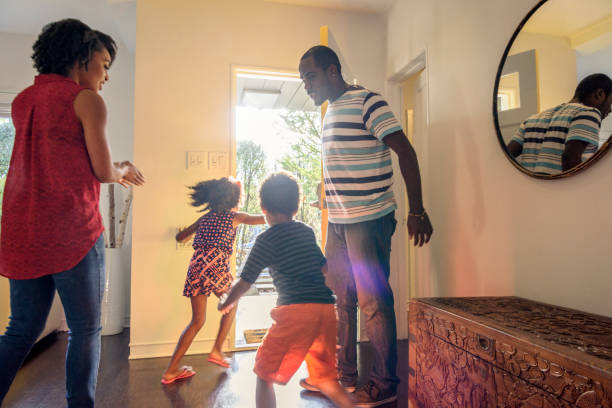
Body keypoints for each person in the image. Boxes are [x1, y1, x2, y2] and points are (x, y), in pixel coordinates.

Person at [0, 19, 145, 407]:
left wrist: (112, 165)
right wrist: (123, 169)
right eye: (103, 63)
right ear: (81, 59)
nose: (106, 75)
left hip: (23, 230)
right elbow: (101, 171)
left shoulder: (22, 101)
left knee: (20, 330)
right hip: (73, 232)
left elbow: (57, 160)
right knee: (85, 328)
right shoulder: (86, 100)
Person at [298, 45, 433, 407]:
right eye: (303, 79)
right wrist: (327, 200)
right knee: (341, 299)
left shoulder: (367, 102)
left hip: (369, 219)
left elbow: (406, 151)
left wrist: (416, 211)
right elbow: (342, 163)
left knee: (373, 301)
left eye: (310, 76)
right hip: (339, 223)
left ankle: (385, 383)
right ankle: (343, 375)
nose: (306, 85)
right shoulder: (329, 113)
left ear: (331, 71)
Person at [218, 172, 353, 408]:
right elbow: (324, 268)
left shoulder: (265, 240)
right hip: (325, 310)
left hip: (295, 313)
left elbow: (245, 281)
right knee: (326, 379)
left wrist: (227, 301)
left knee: (263, 373)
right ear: (296, 207)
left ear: (262, 207)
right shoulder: (305, 231)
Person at [161, 177, 265, 384]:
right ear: (233, 199)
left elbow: (180, 237)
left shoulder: (205, 219)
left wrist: (189, 234)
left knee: (197, 321)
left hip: (196, 267)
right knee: (232, 304)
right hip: (216, 266)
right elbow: (263, 218)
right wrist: (285, 211)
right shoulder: (234, 217)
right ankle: (216, 349)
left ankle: (171, 370)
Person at [507, 73, 612, 175]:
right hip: (562, 191)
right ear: (599, 94)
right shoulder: (590, 113)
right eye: (611, 102)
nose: (610, 109)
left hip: (531, 190)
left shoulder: (532, 119)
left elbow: (507, 155)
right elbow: (570, 159)